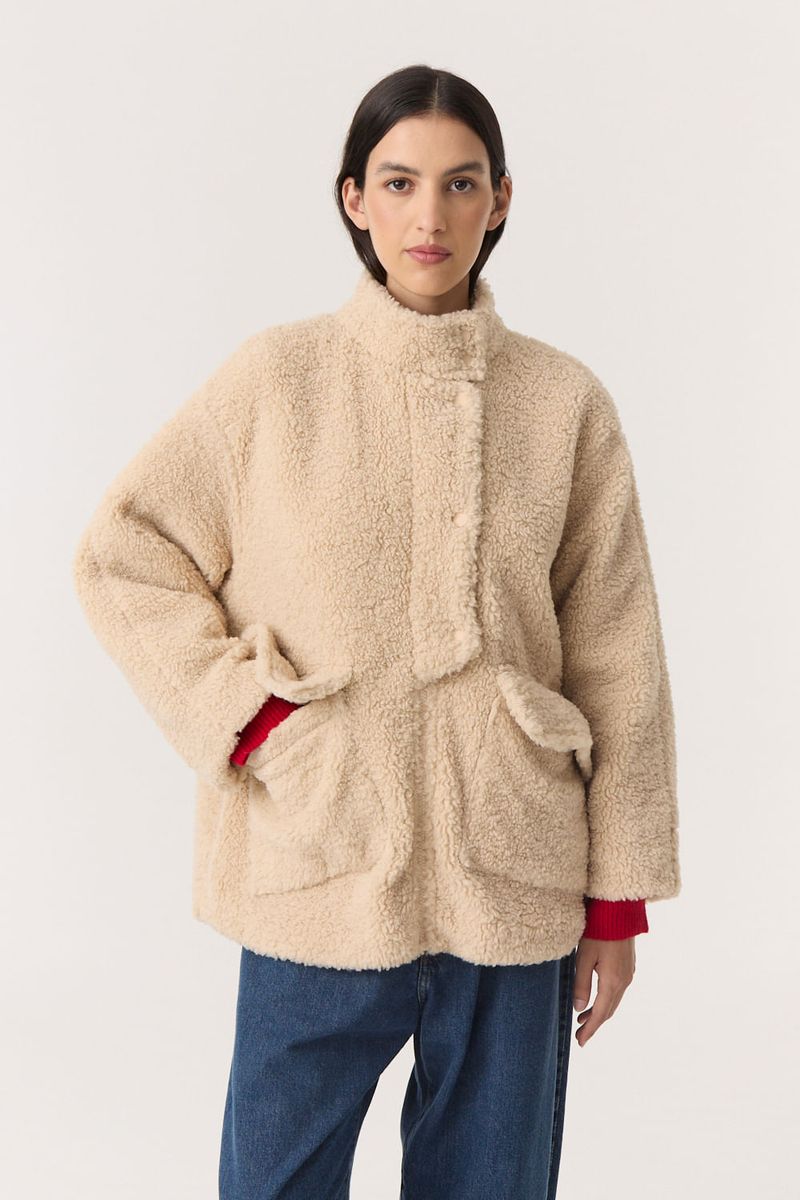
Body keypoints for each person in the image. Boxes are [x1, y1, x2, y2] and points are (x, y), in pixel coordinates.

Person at [72, 64, 681, 1200]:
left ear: (501, 199)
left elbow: (617, 653)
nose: (428, 215)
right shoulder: (276, 378)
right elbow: (124, 553)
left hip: (515, 874)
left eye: (460, 184)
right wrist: (259, 724)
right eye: (398, 183)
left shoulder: (564, 404)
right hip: (318, 861)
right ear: (353, 198)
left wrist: (616, 899)